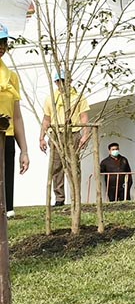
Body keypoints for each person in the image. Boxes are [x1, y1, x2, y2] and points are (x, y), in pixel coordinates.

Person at [39, 72, 90, 207]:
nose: (61, 83)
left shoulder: (78, 96)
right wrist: (41, 137)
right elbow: (46, 119)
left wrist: (85, 134)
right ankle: (59, 198)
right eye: (58, 81)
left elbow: (84, 116)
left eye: (63, 80)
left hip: (73, 133)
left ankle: (75, 197)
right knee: (56, 167)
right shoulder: (51, 98)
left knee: (73, 166)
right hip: (56, 134)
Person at [0, 25, 29, 218]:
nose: (1, 46)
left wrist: (24, 150)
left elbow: (17, 116)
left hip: (6, 138)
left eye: (4, 42)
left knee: (5, 192)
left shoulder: (11, 77)